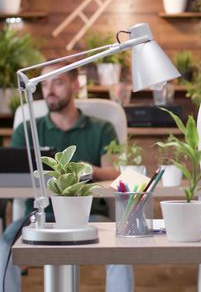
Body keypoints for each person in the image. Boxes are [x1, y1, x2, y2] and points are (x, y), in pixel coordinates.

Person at [1, 61, 132, 292]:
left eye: (58, 82)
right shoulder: (27, 128)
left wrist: (88, 170)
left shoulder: (102, 128)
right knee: (4, 244)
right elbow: (14, 175)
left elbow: (115, 173)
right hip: (38, 218)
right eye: (44, 84)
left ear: (74, 85)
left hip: (89, 216)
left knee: (120, 245)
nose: (49, 89)